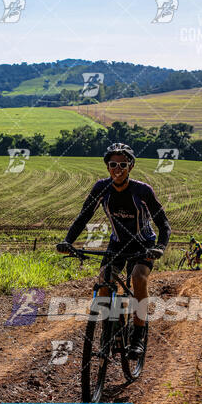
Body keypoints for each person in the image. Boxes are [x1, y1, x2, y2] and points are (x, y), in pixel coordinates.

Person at [56, 143, 171, 358]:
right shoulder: (102, 188)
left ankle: (138, 335)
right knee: (104, 280)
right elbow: (83, 216)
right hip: (117, 243)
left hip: (144, 244)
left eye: (123, 165)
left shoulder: (142, 191)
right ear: (107, 167)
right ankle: (109, 329)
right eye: (113, 164)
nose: (118, 169)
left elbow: (164, 225)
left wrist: (159, 248)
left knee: (138, 277)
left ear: (131, 166)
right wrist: (68, 241)